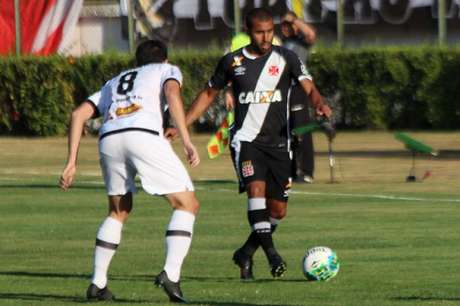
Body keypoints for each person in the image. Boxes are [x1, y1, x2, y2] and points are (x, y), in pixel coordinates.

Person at [183, 7, 331, 280]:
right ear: (249, 32)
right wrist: (182, 125)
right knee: (256, 191)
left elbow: (308, 85)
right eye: (259, 32)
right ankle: (273, 255)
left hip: (279, 143)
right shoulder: (232, 62)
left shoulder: (287, 57)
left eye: (269, 32)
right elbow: (207, 94)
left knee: (278, 210)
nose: (265, 38)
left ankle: (245, 253)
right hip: (245, 140)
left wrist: (319, 103)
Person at [59, 40, 199, 303]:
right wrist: (187, 139)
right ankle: (171, 273)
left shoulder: (114, 80)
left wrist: (71, 163)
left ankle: (97, 283)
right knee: (187, 203)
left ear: (137, 62)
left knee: (118, 210)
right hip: (143, 134)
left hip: (109, 138)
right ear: (164, 60)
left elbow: (78, 115)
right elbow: (172, 93)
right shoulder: (166, 70)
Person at [281, 11, 317, 184]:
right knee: (287, 132)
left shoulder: (301, 42)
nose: (285, 28)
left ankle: (307, 171)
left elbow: (311, 34)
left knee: (302, 130)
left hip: (298, 89)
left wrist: (294, 20)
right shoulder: (282, 44)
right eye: (283, 25)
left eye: (288, 25)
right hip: (284, 91)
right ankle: (292, 170)